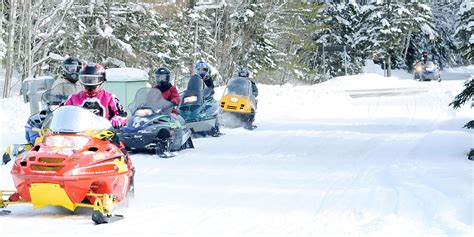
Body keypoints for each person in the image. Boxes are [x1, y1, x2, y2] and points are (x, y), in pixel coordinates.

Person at [64, 63, 128, 128]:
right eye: (86, 79)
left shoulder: (110, 98)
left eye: (93, 80)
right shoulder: (72, 98)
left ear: (102, 80)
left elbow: (122, 114)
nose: (90, 83)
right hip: (78, 134)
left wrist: (118, 119)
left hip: (103, 134)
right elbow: (62, 112)